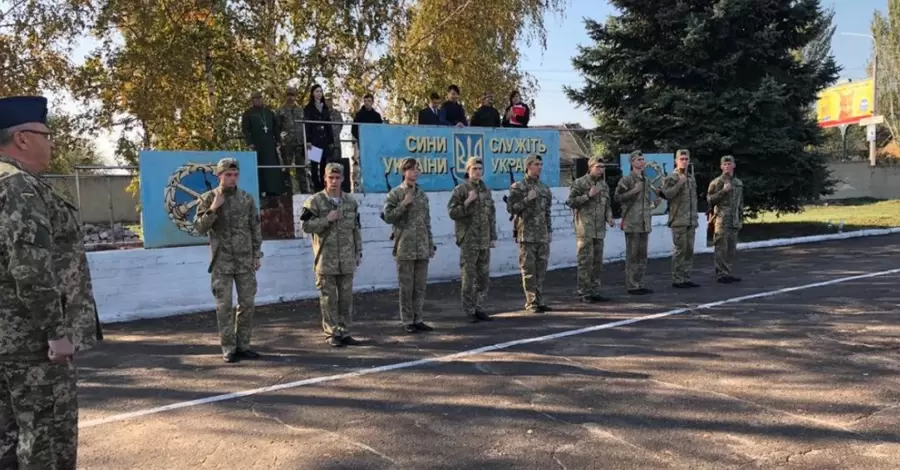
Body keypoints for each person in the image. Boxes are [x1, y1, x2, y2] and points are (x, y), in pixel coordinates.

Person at [0, 95, 101, 469]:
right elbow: (30, 267)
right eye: (47, 133)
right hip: (31, 345)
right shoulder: (20, 189)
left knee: (9, 442)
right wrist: (55, 331)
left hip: (7, 341)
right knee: (47, 445)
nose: (52, 141)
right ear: (23, 138)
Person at [194, 158, 263, 363]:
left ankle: (243, 345)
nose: (232, 178)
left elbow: (255, 228)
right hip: (221, 262)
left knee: (247, 303)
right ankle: (228, 347)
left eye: (235, 174)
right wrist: (214, 209)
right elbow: (199, 228)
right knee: (224, 306)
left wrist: (256, 254)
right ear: (219, 176)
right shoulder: (208, 199)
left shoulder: (246, 199)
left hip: (244, 261)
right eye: (228, 175)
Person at [300, 163, 364, 347]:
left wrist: (358, 251)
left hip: (346, 258)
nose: (334, 181)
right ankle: (331, 333)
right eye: (331, 178)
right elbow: (305, 226)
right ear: (325, 179)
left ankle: (344, 331)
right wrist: (326, 220)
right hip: (325, 259)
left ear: (343, 179)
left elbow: (356, 229)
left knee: (345, 298)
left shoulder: (350, 202)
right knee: (328, 299)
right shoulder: (314, 201)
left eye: (337, 178)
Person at [381, 158, 436, 333]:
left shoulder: (422, 195)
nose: (415, 172)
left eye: (417, 169)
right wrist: (403, 204)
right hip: (404, 246)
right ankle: (407, 320)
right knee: (406, 286)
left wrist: (430, 243)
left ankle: (418, 318)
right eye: (411, 169)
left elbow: (427, 222)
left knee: (420, 286)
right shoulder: (396, 194)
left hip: (421, 246)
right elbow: (388, 217)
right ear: (404, 172)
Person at [447, 157, 497, 323]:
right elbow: (452, 213)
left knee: (483, 277)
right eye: (474, 169)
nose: (477, 172)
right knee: (469, 277)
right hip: (469, 239)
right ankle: (469, 310)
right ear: (468, 171)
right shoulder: (461, 190)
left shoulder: (486, 190)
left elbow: (491, 215)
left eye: (480, 169)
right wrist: (468, 201)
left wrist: (492, 236)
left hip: (484, 239)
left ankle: (479, 307)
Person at [506, 154, 553, 313]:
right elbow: (511, 209)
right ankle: (531, 302)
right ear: (528, 166)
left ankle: (540, 300)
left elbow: (547, 212)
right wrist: (526, 199)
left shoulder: (544, 188)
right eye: (536, 164)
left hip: (542, 234)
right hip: (526, 234)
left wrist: (549, 230)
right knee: (529, 270)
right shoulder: (518, 187)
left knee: (541, 269)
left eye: (540, 164)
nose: (539, 167)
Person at [566, 156, 615, 302]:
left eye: (603, 167)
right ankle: (584, 292)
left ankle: (594, 290)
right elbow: (571, 201)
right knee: (585, 261)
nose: (601, 170)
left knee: (597, 262)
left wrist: (609, 217)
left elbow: (607, 205)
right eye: (598, 167)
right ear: (590, 167)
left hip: (599, 229)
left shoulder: (603, 185)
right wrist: (588, 195)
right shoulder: (580, 183)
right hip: (585, 229)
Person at [615, 150, 656, 295]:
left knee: (642, 255)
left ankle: (639, 282)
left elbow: (645, 201)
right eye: (638, 159)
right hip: (632, 223)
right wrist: (633, 191)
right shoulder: (627, 180)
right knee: (632, 255)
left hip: (644, 222)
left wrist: (654, 203)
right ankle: (632, 285)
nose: (641, 162)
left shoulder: (646, 179)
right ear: (632, 162)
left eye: (642, 159)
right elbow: (617, 197)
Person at [662, 149, 700, 288]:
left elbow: (693, 199)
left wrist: (695, 217)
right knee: (680, 250)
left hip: (690, 219)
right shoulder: (672, 178)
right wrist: (679, 183)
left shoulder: (690, 177)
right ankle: (677, 279)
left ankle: (686, 277)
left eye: (686, 159)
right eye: (681, 159)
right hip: (678, 219)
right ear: (676, 161)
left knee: (689, 250)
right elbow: (667, 194)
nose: (684, 161)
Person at [241, 91, 287, 197]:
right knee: (260, 167)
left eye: (259, 98)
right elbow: (246, 129)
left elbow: (276, 127)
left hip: (270, 143)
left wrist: (278, 141)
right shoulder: (248, 113)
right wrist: (250, 143)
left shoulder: (269, 112)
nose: (257, 100)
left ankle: (274, 190)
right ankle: (260, 191)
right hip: (257, 143)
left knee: (272, 167)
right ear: (252, 100)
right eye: (255, 98)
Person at [707, 155, 744, 283]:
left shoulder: (738, 183)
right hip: (721, 220)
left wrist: (740, 219)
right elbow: (710, 200)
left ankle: (727, 272)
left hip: (734, 220)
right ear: (721, 166)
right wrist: (723, 191)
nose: (727, 166)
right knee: (721, 248)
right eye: (725, 164)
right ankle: (721, 274)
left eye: (729, 164)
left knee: (731, 249)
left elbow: (740, 203)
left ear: (734, 165)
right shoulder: (716, 182)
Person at [277, 86, 310, 193]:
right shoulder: (280, 111)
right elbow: (277, 127)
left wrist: (307, 141)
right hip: (286, 144)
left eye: (292, 95)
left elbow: (306, 126)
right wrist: (278, 141)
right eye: (288, 94)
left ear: (295, 96)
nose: (290, 97)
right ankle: (288, 191)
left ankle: (304, 190)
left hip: (300, 143)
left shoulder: (301, 110)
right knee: (286, 168)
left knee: (302, 168)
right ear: (286, 95)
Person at [303, 84, 335, 192]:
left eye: (320, 91)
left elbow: (328, 125)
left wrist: (331, 140)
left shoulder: (325, 108)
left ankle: (323, 184)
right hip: (314, 140)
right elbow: (307, 125)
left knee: (323, 164)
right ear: (312, 93)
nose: (319, 94)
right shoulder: (309, 108)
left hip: (324, 140)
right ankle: (315, 185)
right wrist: (308, 140)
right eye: (317, 91)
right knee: (314, 164)